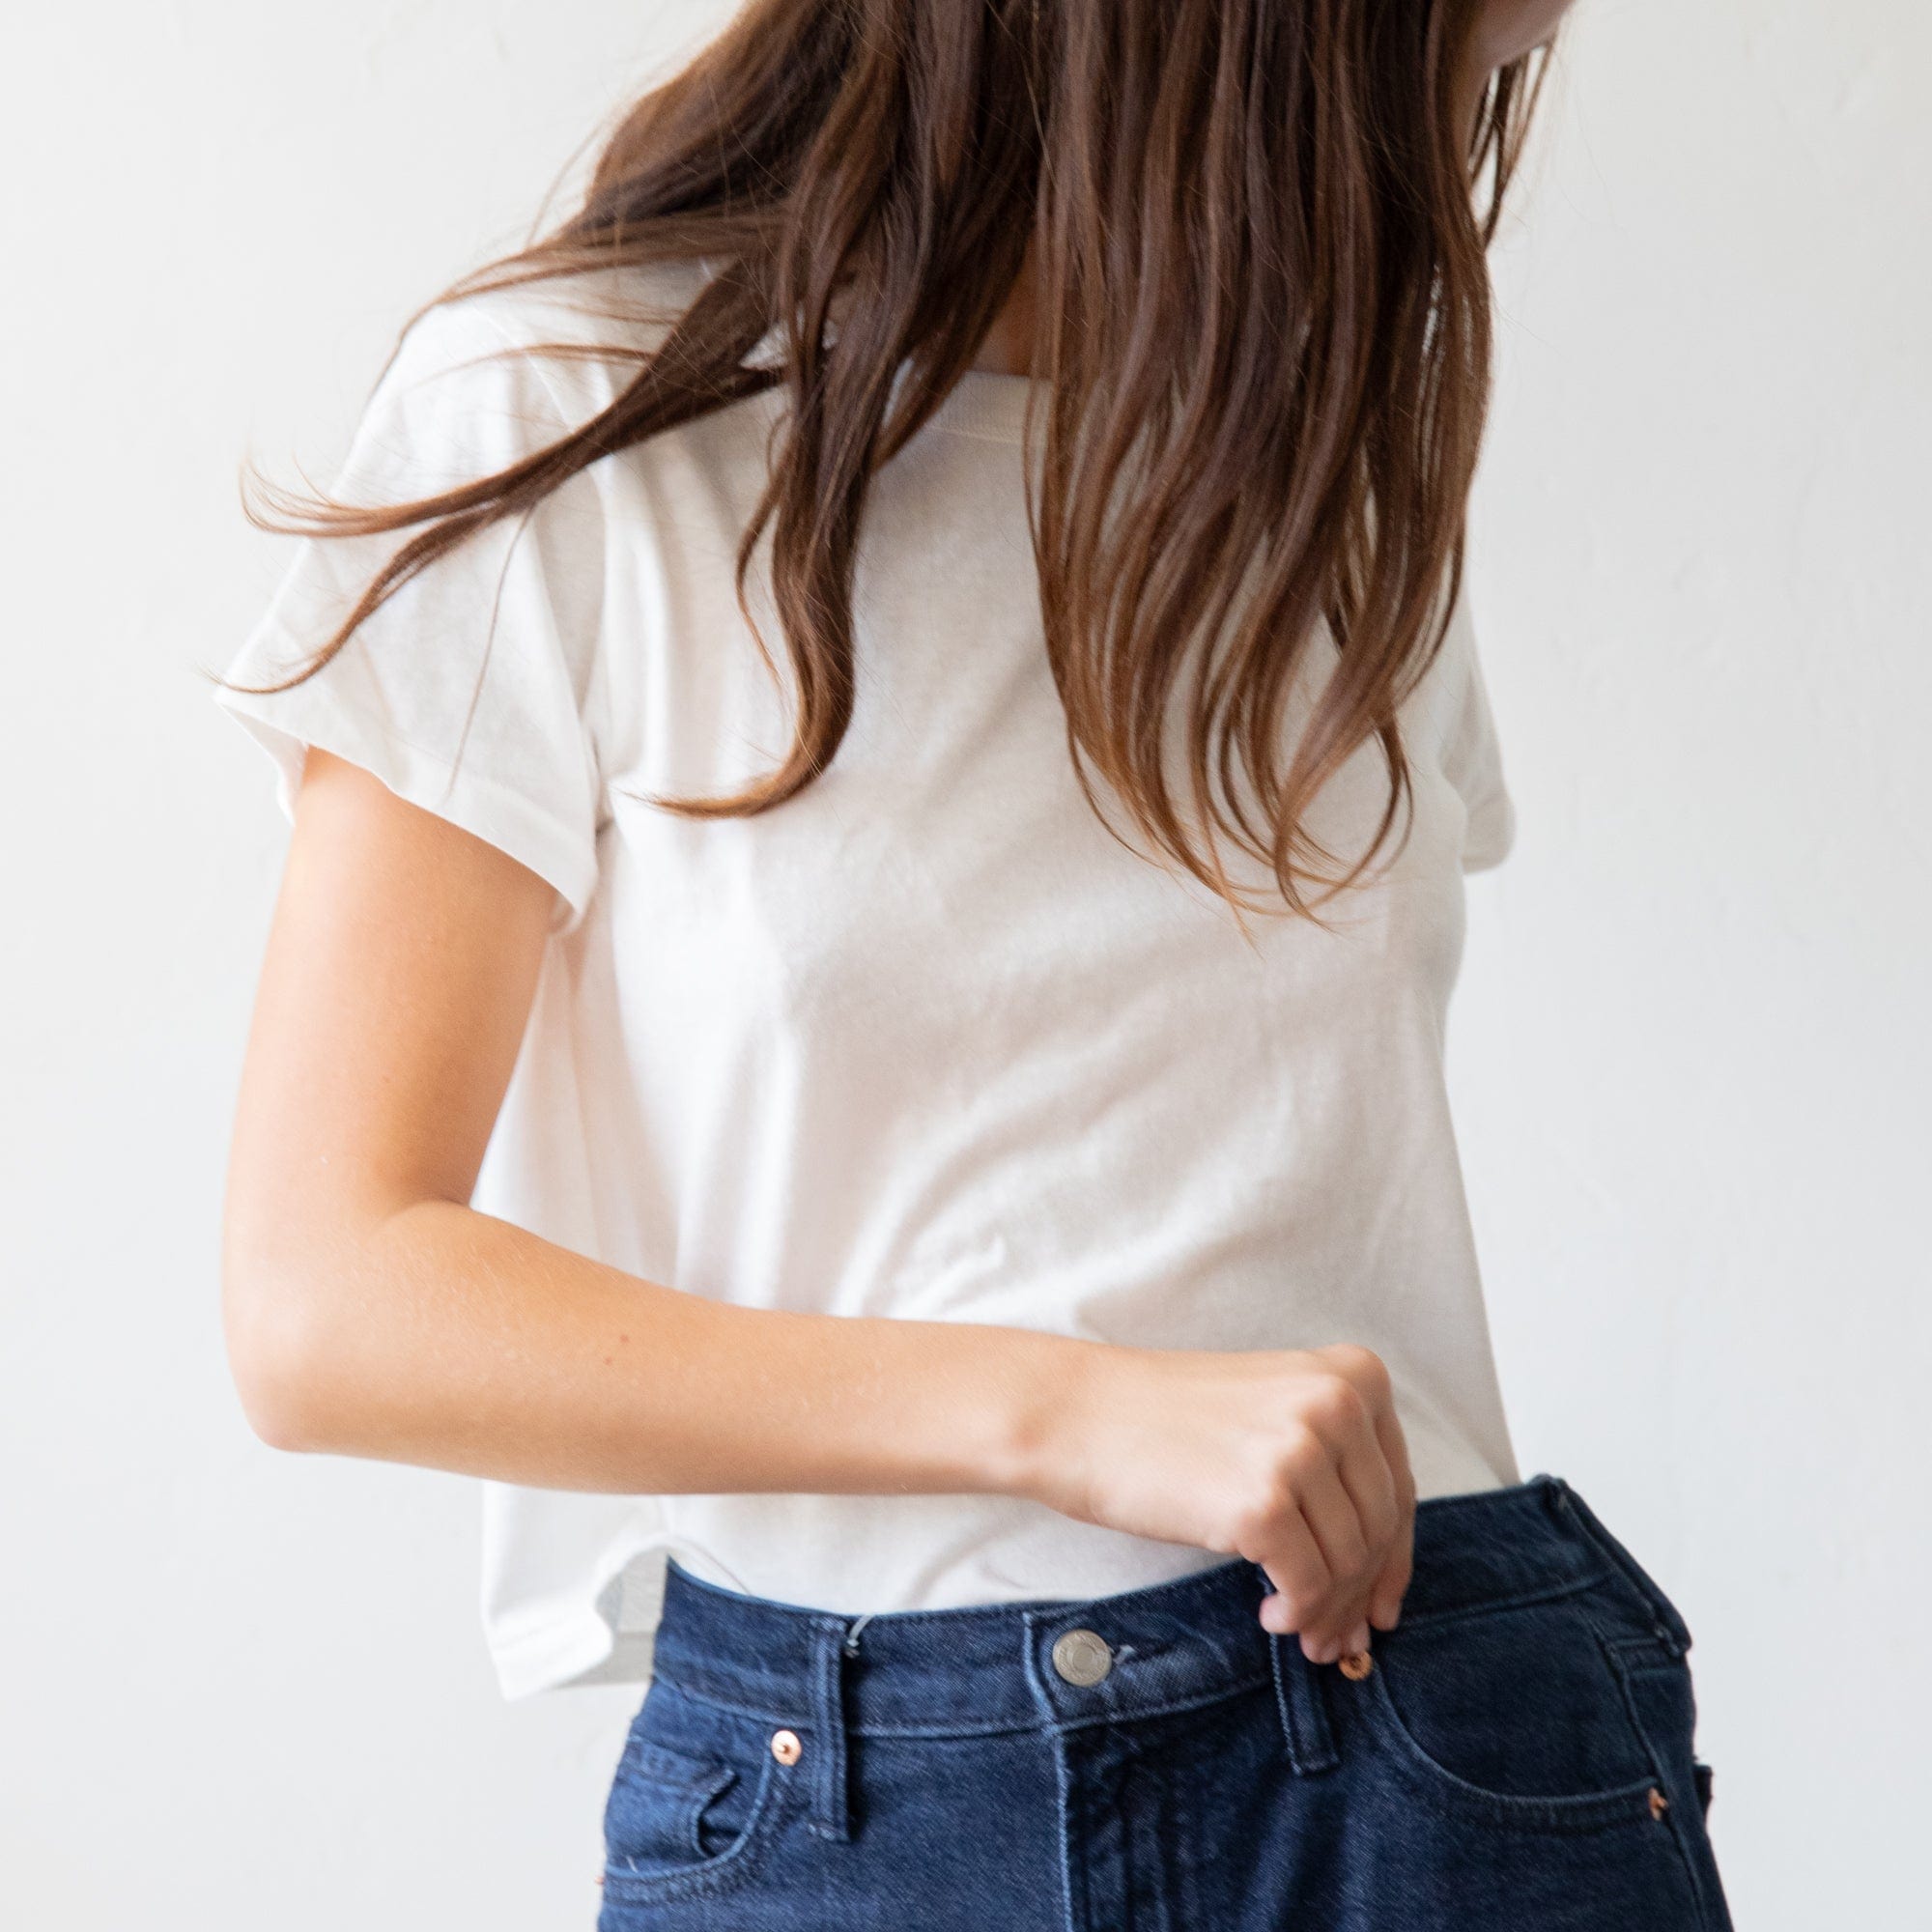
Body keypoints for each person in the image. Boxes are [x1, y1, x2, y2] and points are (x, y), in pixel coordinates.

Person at [209, 1, 1734, 1925]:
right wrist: (1068, 1407)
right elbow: (326, 1295)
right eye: (1445, 38)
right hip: (856, 1803)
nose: (1484, 91)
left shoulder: (1315, 466)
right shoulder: (574, 421)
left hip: (1431, 1759)